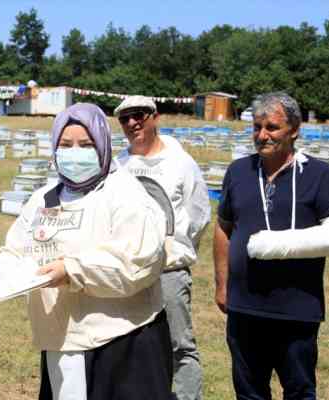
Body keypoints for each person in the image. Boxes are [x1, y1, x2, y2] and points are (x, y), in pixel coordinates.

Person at [0, 102, 172, 400]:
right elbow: (17, 251)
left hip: (121, 340)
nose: (74, 153)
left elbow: (139, 260)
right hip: (62, 339)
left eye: (85, 145)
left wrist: (72, 270)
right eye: (65, 145)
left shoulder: (125, 193)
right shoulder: (43, 199)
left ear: (103, 146)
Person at [213, 92, 329, 399]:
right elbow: (223, 228)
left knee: (299, 391)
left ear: (294, 129)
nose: (262, 135)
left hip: (296, 308)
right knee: (249, 392)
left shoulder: (320, 175)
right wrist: (222, 284)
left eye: (272, 127)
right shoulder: (238, 172)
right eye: (256, 127)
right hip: (244, 306)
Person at [114, 95, 210, 400]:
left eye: (139, 115)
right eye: (125, 118)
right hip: (127, 272)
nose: (132, 123)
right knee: (130, 343)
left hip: (169, 272)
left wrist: (175, 250)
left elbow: (199, 214)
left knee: (179, 346)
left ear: (155, 117)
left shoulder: (181, 163)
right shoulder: (118, 164)